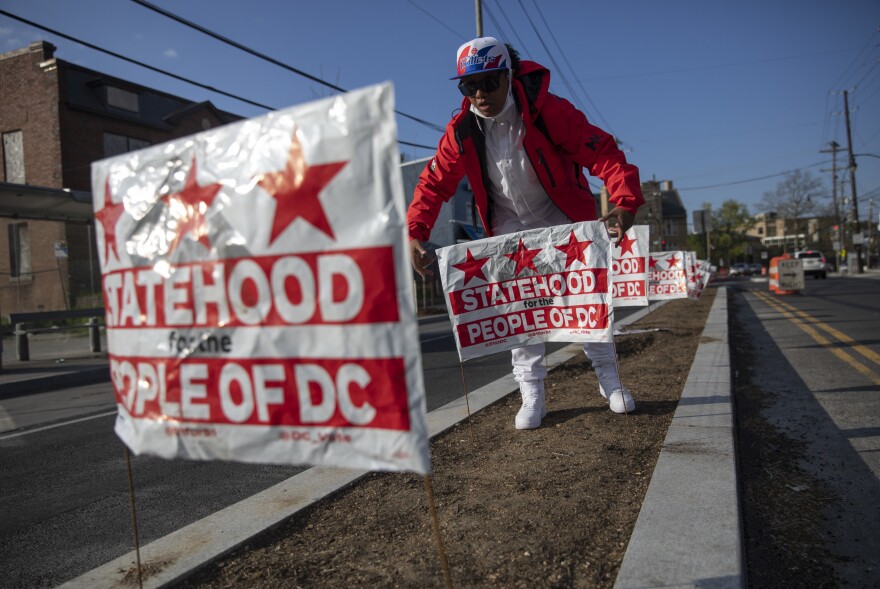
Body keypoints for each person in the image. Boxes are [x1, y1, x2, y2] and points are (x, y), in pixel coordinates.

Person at [407, 37, 645, 429]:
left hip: (563, 214)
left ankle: (611, 381)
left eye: (489, 83)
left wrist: (624, 201)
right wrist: (415, 230)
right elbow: (433, 185)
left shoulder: (548, 110)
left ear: (509, 75)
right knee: (519, 312)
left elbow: (601, 151)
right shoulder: (462, 130)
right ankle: (531, 394)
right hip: (508, 225)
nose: (480, 95)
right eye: (469, 87)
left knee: (587, 297)